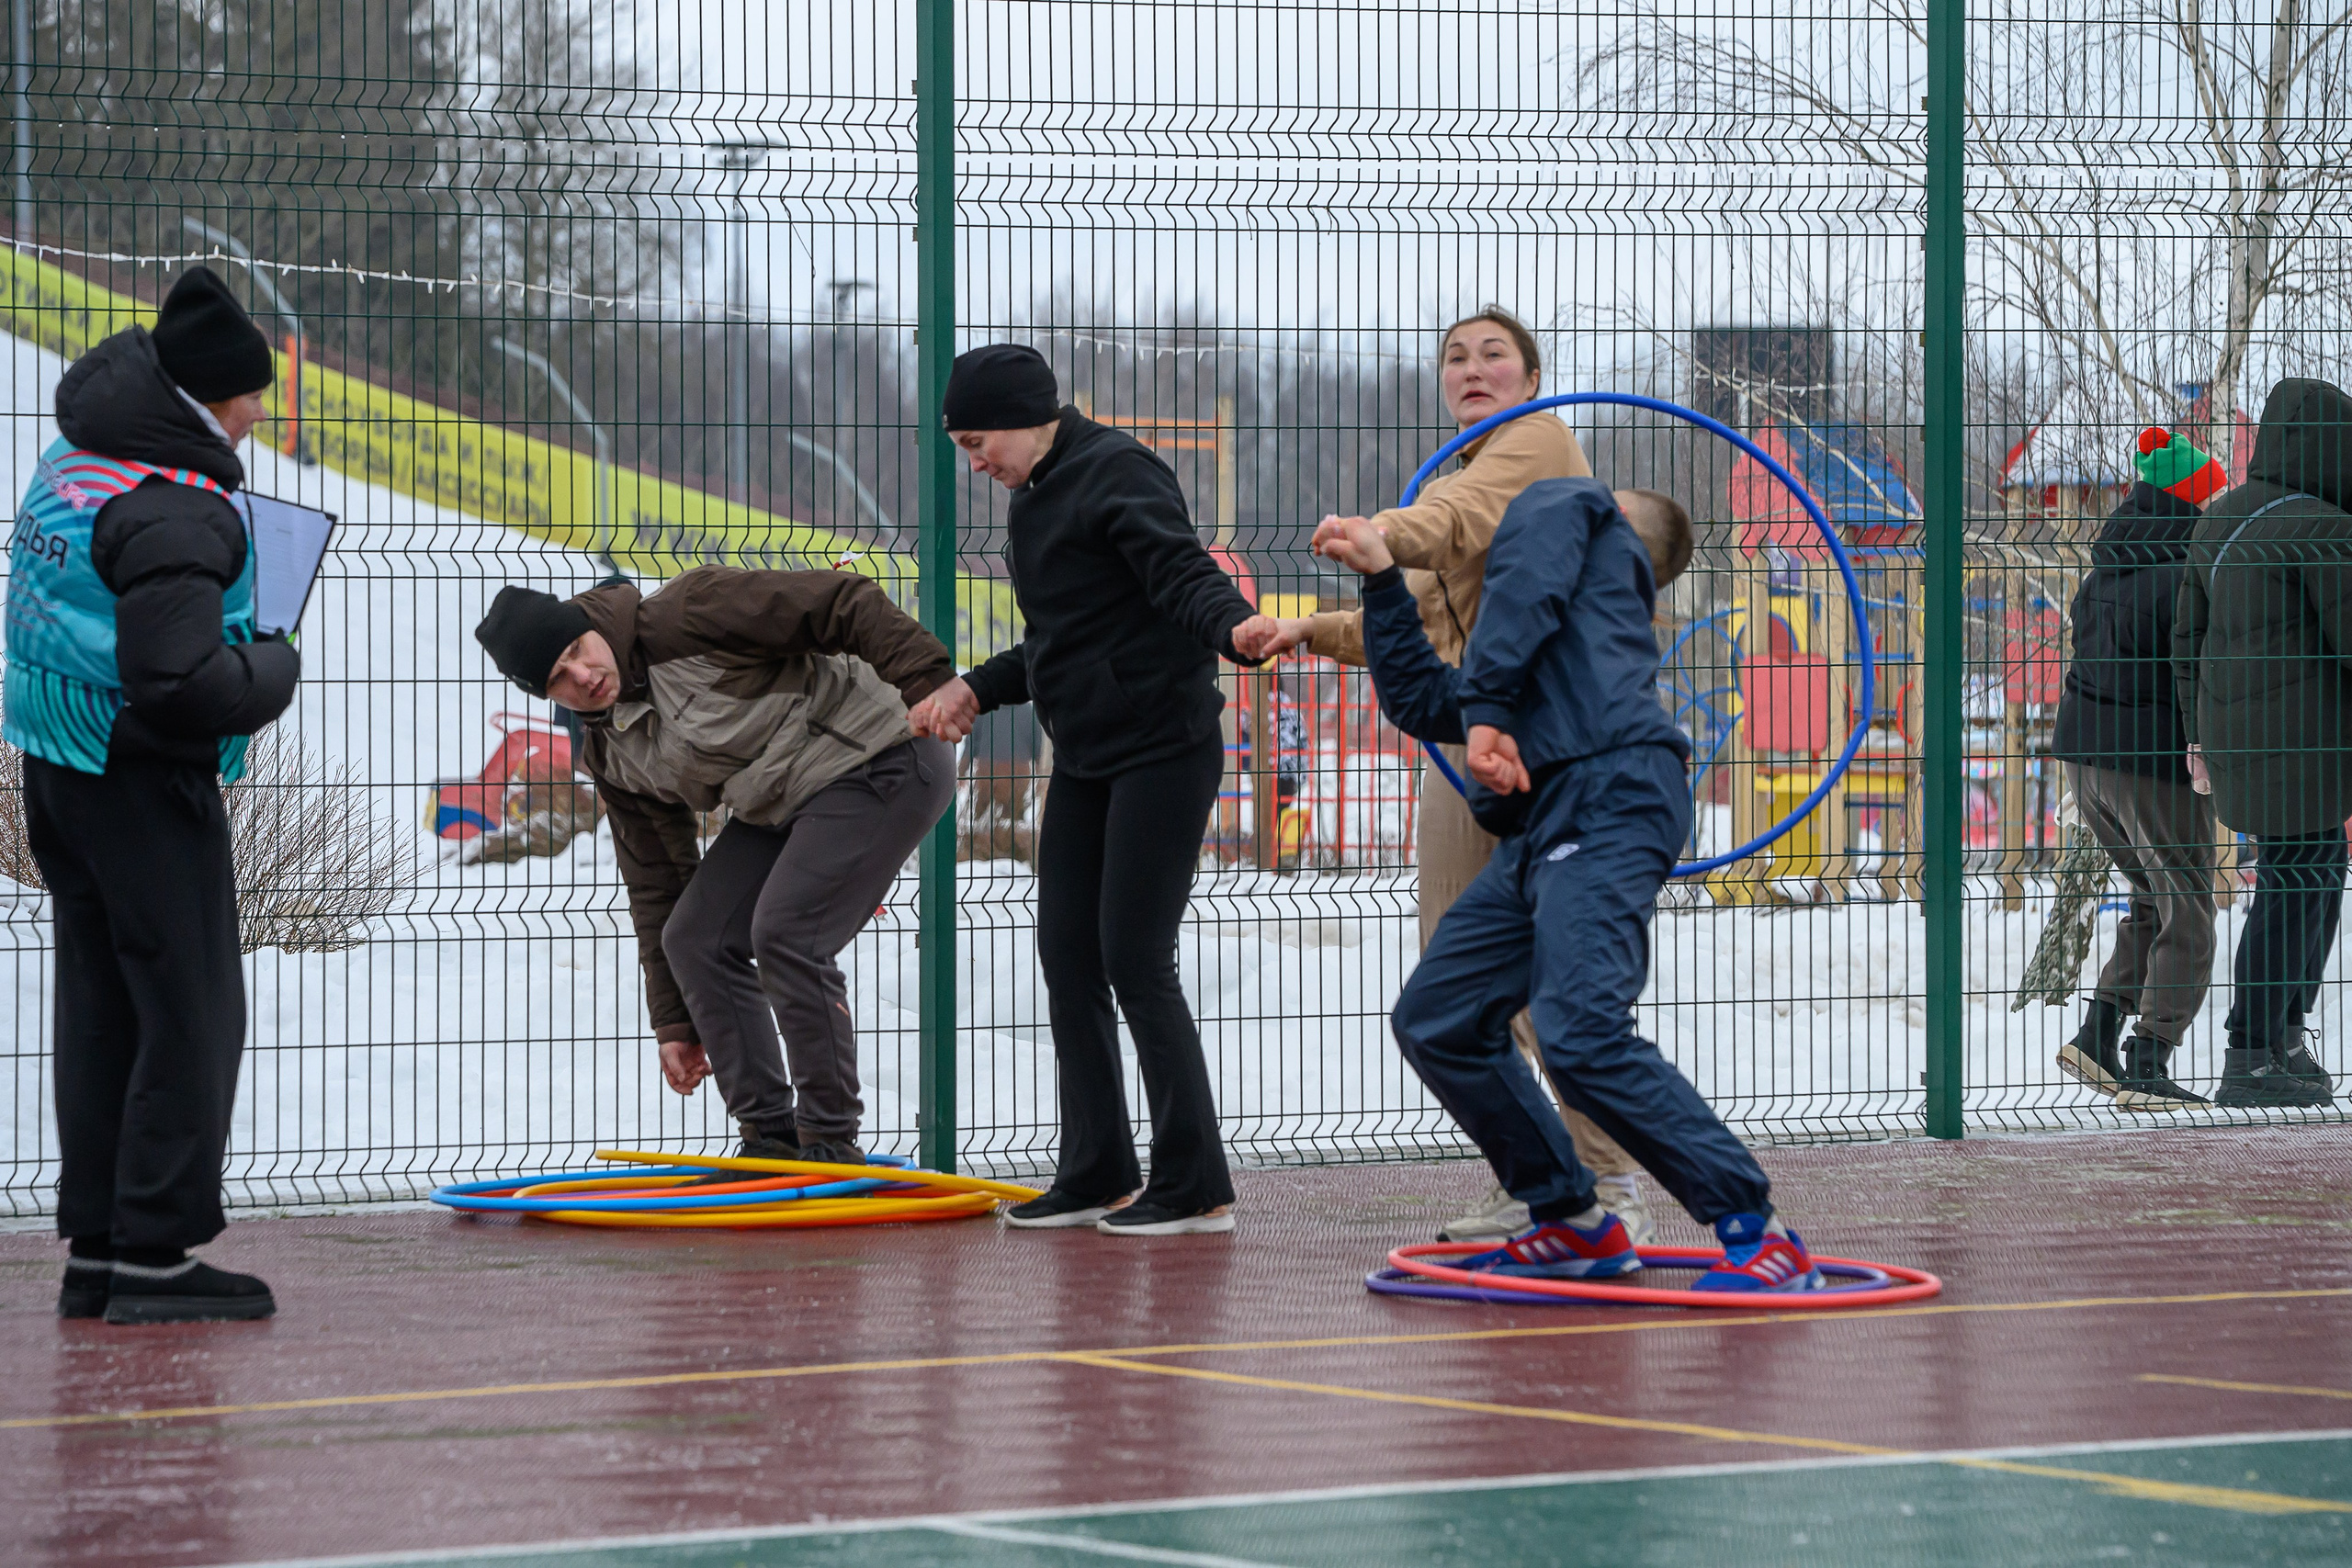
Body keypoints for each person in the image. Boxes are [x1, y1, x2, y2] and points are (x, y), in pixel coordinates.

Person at [1318, 480, 1823, 1292]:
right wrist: (1381, 580)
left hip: (1611, 795)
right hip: (1545, 824)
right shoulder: (1542, 645)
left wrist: (1485, 708)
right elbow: (1422, 697)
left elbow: (1515, 600)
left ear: (1614, 525)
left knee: (1579, 1030)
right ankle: (1569, 1217)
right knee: (1438, 1017)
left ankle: (1754, 1228)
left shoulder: (1571, 507)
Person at [1253, 308, 1657, 1246]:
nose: (1471, 370)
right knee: (1462, 973)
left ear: (1528, 374)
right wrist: (1306, 631)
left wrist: (1380, 532)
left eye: (1492, 356)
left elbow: (1451, 527)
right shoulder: (1463, 472)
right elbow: (1426, 616)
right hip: (1466, 747)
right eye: (1454, 358)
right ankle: (1537, 1176)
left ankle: (1609, 1179)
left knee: (1556, 970)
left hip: (1551, 746)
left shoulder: (1535, 442)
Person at [906, 344, 1278, 1235]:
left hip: (1163, 749)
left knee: (1135, 958)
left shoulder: (1118, 472)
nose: (974, 462)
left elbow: (1183, 574)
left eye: (977, 440)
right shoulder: (1032, 504)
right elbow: (1059, 640)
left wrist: (1235, 628)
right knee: (1067, 957)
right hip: (1085, 757)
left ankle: (1194, 1185)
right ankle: (1097, 1169)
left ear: (1028, 416)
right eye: (961, 446)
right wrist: (975, 686)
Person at [7, 267, 299, 1322]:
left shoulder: (79, 455)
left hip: (59, 763)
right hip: (139, 778)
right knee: (188, 1010)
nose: (263, 413)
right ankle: (157, 1257)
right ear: (217, 399)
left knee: (102, 1009)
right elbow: (181, 685)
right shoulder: (178, 505)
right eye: (255, 395)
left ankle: (101, 1248)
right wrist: (274, 662)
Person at [474, 566, 959, 1166]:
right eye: (558, 680)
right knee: (695, 936)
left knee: (787, 933)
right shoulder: (607, 751)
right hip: (782, 799)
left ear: (586, 625)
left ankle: (830, 1141)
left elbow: (841, 601)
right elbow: (656, 879)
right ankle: (770, 1139)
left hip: (885, 752)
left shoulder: (689, 614)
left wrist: (931, 682)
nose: (583, 676)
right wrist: (676, 1022)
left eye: (577, 650)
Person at [2175, 378, 2352, 1110]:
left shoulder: (2217, 523)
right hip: (2305, 746)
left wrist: (2196, 736)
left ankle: (2280, 1037)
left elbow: (2186, 641)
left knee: (2305, 873)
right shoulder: (2322, 527)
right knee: (2299, 882)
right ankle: (2255, 1046)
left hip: (2237, 742)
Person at [2047, 428, 2228, 1111]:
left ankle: (2096, 1035)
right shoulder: (2186, 572)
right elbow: (2198, 671)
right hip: (2152, 763)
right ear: (2190, 502)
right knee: (2191, 908)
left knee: (2154, 896)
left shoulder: (2106, 570)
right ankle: (2150, 1058)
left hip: (2086, 761)